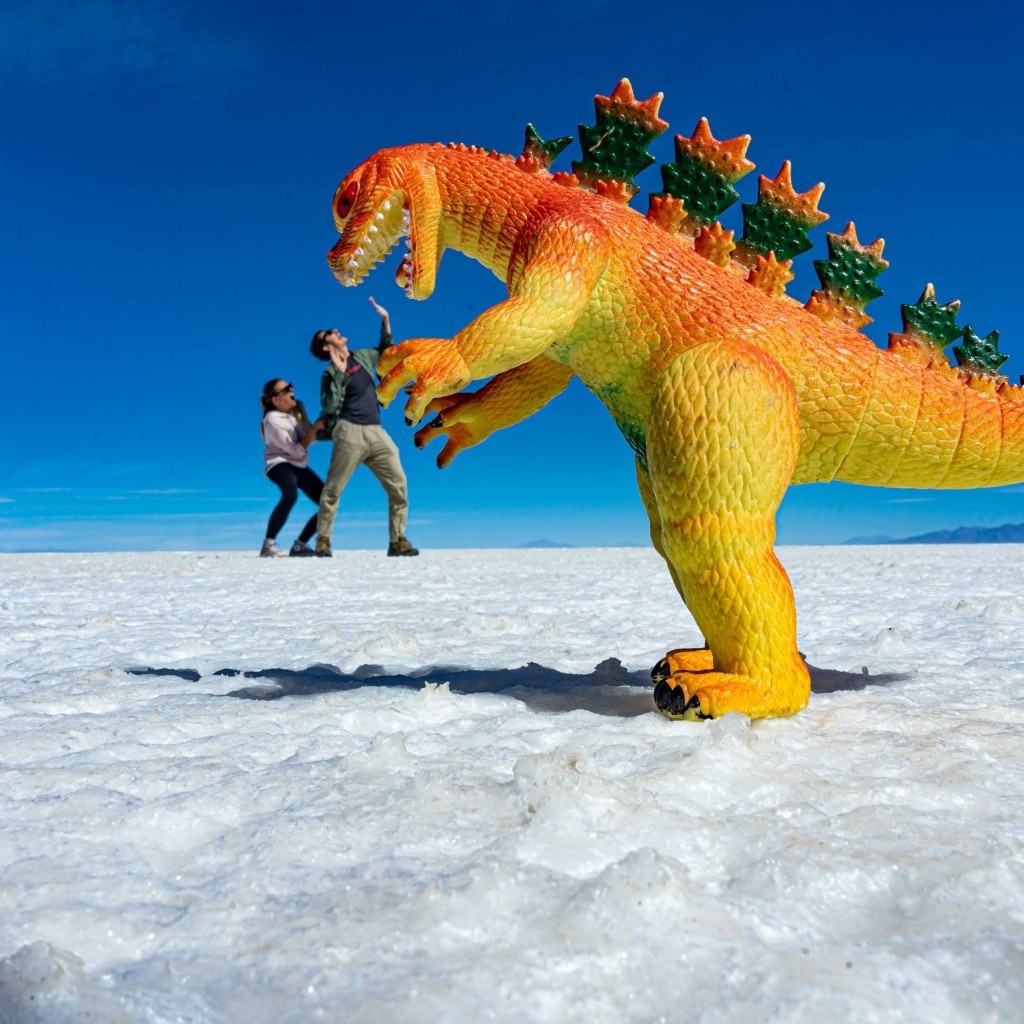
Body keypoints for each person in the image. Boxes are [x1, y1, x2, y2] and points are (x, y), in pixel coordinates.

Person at [310, 296, 419, 558]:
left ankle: (397, 541)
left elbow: (384, 352)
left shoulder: (360, 356)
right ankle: (323, 541)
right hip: (349, 431)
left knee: (399, 484)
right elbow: (329, 406)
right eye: (330, 334)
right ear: (326, 347)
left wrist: (385, 319)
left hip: (376, 431)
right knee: (333, 489)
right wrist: (342, 373)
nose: (337, 331)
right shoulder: (330, 373)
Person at [259, 378, 324, 557]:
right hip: (278, 463)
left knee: (328, 502)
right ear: (275, 400)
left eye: (291, 386)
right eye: (286, 389)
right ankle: (268, 544)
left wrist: (321, 426)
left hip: (297, 464)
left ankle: (300, 545)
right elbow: (294, 450)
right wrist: (312, 432)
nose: (291, 389)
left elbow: (311, 438)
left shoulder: (294, 415)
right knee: (290, 493)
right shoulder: (272, 420)